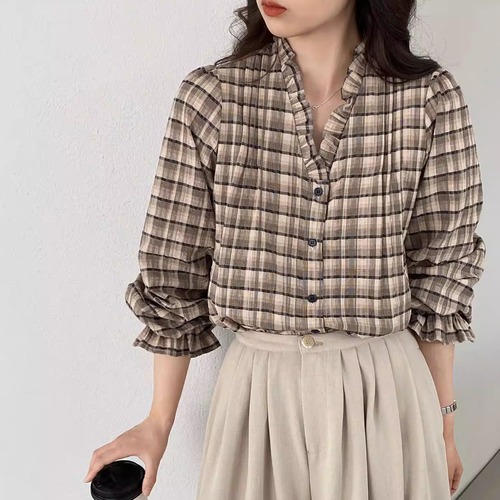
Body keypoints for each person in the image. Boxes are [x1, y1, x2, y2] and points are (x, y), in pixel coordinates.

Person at [84, 0, 486, 498]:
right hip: (256, 404)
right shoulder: (213, 99)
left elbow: (440, 275)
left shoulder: (428, 100)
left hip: (386, 399)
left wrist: (444, 422)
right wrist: (157, 423)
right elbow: (174, 272)